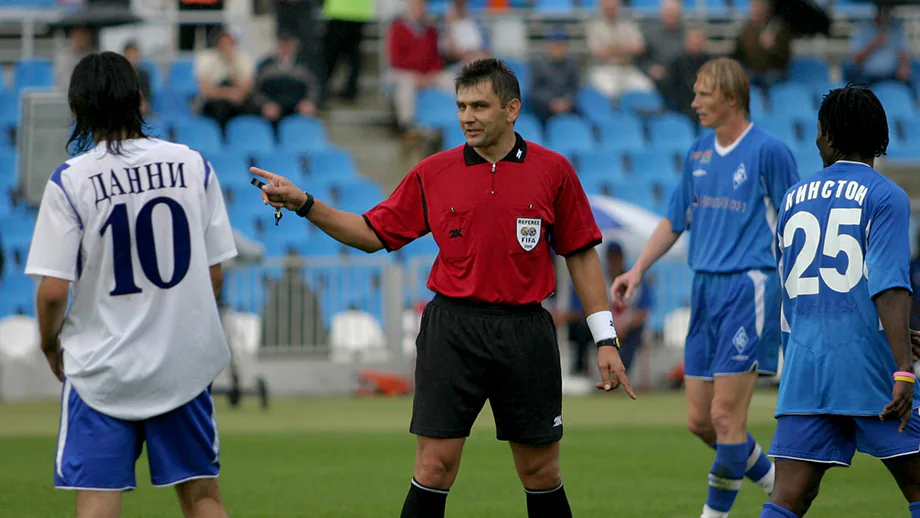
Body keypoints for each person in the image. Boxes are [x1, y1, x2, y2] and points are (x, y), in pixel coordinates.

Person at [251, 57, 635, 518]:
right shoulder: (434, 171)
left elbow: (581, 254)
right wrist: (304, 203)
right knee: (434, 467)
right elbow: (371, 234)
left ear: (512, 109)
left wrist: (605, 339)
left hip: (525, 332)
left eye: (480, 106)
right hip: (452, 330)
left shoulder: (553, 170)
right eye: (461, 106)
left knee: (540, 471)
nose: (467, 117)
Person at [25, 52, 236, 518]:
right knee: (203, 497)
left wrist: (49, 344)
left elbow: (54, 290)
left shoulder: (71, 180)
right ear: (140, 99)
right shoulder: (191, 164)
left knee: (97, 501)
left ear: (78, 109)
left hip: (102, 367)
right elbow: (214, 272)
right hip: (180, 367)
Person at [611, 57, 799, 518]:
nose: (694, 102)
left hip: (749, 288)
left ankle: (713, 515)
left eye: (703, 94)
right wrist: (637, 269)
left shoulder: (769, 151)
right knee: (700, 421)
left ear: (732, 98)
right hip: (705, 290)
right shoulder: (697, 151)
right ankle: (776, 483)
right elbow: (675, 219)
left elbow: (796, 222)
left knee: (725, 417)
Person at [760, 85, 920, 518]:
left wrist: (891, 330)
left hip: (806, 369)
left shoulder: (793, 199)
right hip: (868, 368)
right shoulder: (885, 196)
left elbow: (793, 289)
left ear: (829, 136)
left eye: (818, 129)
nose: (815, 138)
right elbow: (889, 287)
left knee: (788, 496)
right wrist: (904, 368)